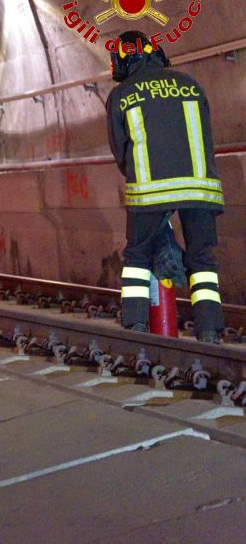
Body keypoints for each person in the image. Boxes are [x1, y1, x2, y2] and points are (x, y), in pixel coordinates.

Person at [106, 30, 225, 343]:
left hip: (150, 191)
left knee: (137, 259)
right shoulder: (190, 84)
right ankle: (210, 331)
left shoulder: (122, 94)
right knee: (203, 263)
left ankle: (135, 325)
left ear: (123, 59)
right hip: (200, 188)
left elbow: (121, 152)